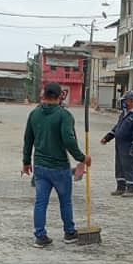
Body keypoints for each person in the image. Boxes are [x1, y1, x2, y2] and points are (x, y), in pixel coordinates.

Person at [22, 82, 91, 248]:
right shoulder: (64, 115)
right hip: (59, 167)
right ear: (60, 96)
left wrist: (26, 162)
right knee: (65, 201)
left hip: (40, 167)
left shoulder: (34, 114)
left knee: (40, 202)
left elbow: (28, 140)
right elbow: (68, 140)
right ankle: (69, 233)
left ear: (44, 94)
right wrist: (82, 158)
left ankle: (40, 236)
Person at [100, 90, 133, 196]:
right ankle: (121, 187)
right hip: (119, 144)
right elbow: (118, 127)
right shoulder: (124, 113)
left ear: (130, 101)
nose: (123, 103)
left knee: (129, 165)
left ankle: (131, 188)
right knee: (119, 165)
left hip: (129, 145)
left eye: (125, 101)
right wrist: (108, 137)